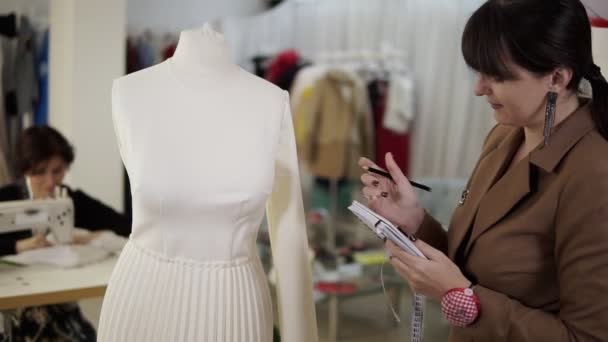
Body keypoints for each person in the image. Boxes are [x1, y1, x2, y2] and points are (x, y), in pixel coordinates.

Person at [360, 0, 608, 340]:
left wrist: (465, 302)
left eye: (497, 76)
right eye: (478, 72)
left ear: (557, 77)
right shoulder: (505, 135)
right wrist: (414, 220)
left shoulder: (595, 174)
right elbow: (477, 262)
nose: (478, 88)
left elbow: (587, 337)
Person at [0, 125, 131, 341]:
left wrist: (89, 237)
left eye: (57, 170)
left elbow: (124, 225)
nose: (50, 182)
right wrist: (17, 246)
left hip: (59, 300)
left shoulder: (70, 200)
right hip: (18, 306)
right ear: (25, 170)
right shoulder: (7, 198)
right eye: (39, 172)